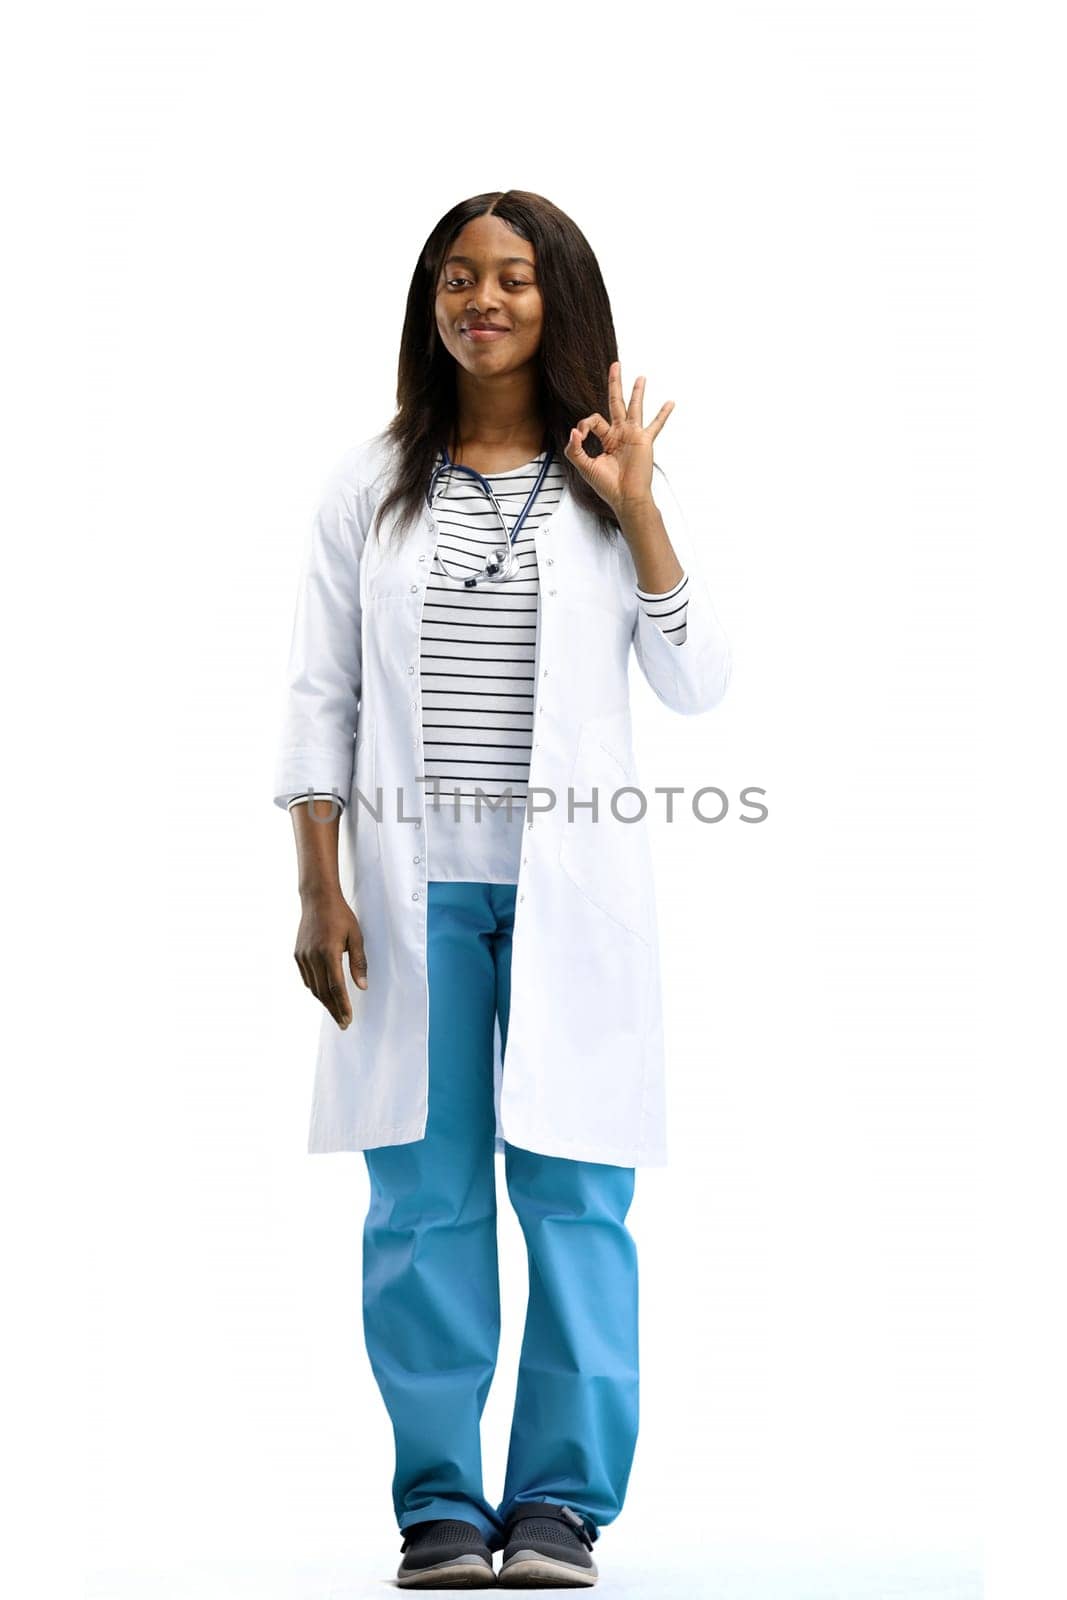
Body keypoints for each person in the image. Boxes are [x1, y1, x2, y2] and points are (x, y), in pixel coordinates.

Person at [272, 191, 732, 1589]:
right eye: (459, 279)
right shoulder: (369, 486)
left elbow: (697, 681)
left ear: (559, 298)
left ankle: (558, 1510)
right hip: (413, 906)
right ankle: (439, 1510)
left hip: (567, 901)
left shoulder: (603, 475)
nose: (484, 300)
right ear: (431, 305)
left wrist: (639, 509)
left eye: (514, 278)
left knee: (578, 1202)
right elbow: (320, 697)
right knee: (423, 1209)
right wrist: (319, 888)